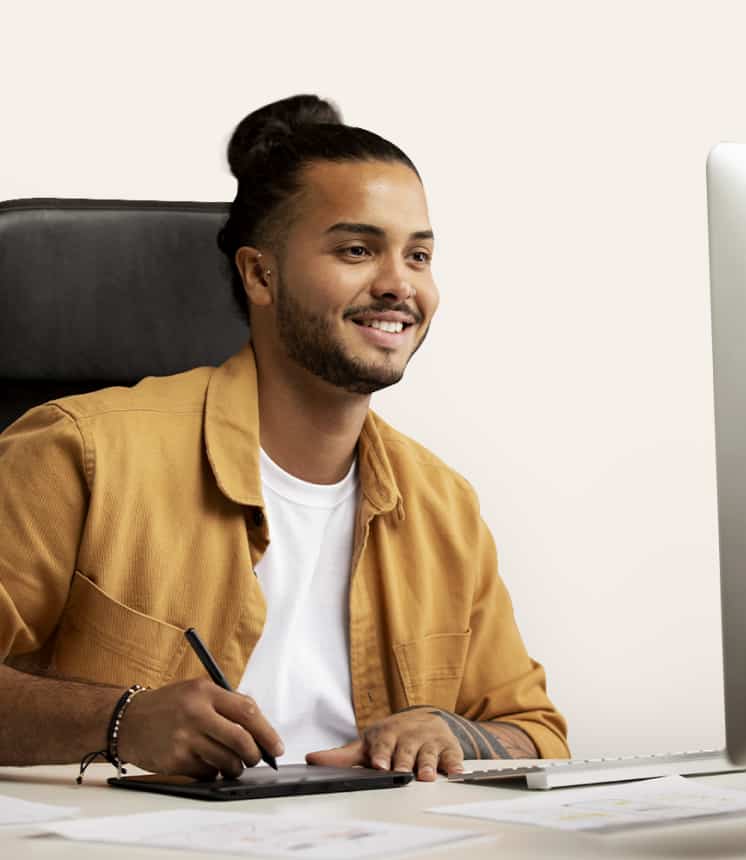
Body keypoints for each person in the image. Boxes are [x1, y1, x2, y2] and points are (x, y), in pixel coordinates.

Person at [0, 95, 568, 782]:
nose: (399, 285)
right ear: (259, 273)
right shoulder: (78, 453)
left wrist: (455, 733)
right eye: (358, 250)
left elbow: (535, 731)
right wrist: (121, 722)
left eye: (418, 256)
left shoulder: (442, 504)